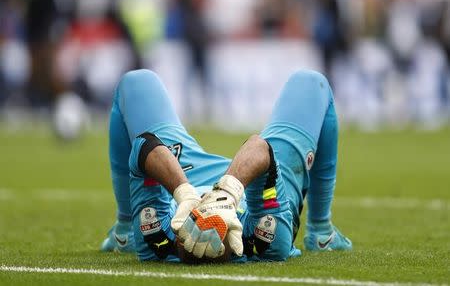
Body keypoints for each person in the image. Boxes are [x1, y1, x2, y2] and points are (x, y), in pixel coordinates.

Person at [101, 68, 352, 262]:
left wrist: (185, 194)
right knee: (310, 82)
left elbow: (144, 147)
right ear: (230, 240)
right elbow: (260, 148)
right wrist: (226, 194)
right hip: (261, 179)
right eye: (214, 226)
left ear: (177, 236)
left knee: (136, 83)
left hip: (186, 173)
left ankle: (124, 233)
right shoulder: (266, 243)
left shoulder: (156, 240)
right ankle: (321, 232)